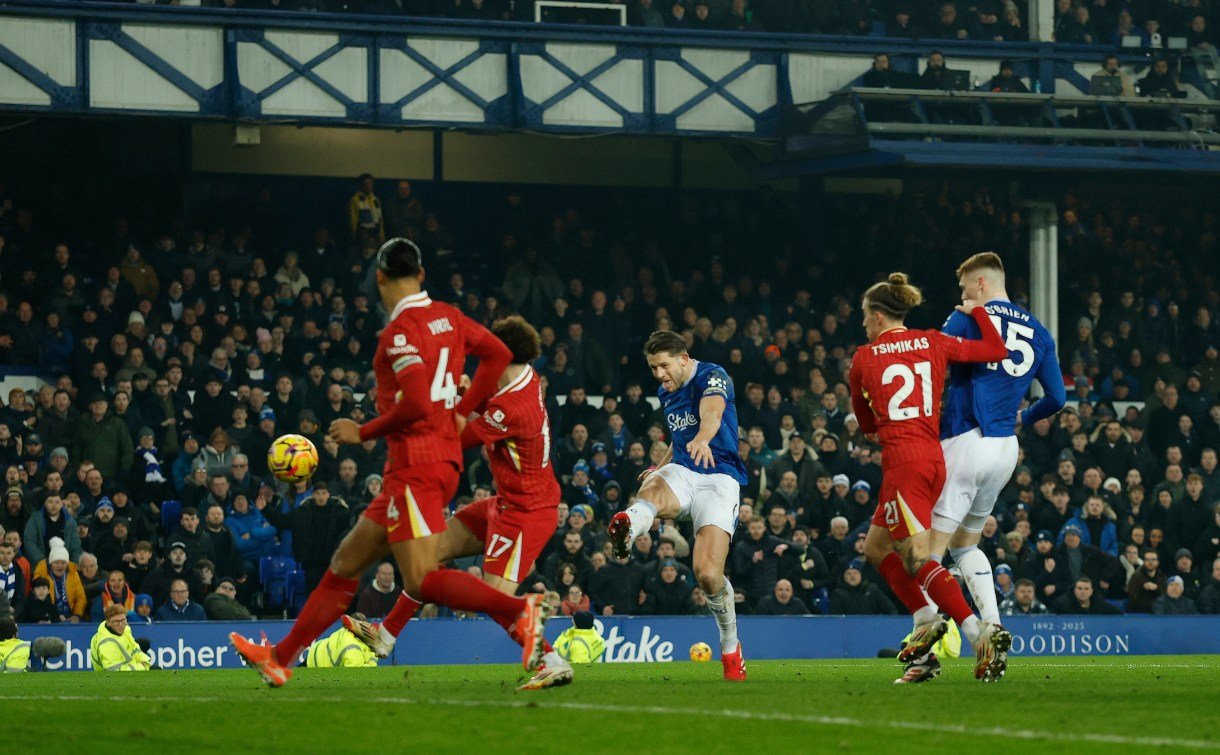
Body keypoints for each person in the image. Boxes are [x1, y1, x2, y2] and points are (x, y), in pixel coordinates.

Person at [230, 237, 541, 689]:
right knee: (345, 562)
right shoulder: (449, 317)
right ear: (421, 274)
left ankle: (520, 611)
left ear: (378, 278)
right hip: (423, 466)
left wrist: (364, 431)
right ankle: (280, 658)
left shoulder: (399, 333)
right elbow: (496, 354)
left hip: (417, 463)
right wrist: (461, 410)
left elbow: (415, 400)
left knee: (421, 578)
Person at [345, 316, 572, 690]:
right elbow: (481, 397)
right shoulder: (524, 378)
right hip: (506, 503)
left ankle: (552, 659)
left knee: (496, 600)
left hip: (527, 514)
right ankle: (386, 634)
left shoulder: (512, 408)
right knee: (428, 553)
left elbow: (453, 438)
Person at [850, 271, 1010, 684]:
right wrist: (979, 313)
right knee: (875, 547)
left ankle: (977, 634)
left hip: (903, 463)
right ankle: (926, 623)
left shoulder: (864, 358)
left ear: (880, 316)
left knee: (918, 557)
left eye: (865, 315)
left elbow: (866, 423)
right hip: (932, 457)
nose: (863, 323)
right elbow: (994, 348)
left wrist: (882, 422)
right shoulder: (932, 341)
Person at [913, 252, 1063, 683]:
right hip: (1005, 448)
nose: (961, 297)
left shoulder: (967, 316)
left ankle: (926, 654)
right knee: (965, 545)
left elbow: (932, 366)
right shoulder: (1038, 329)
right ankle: (993, 631)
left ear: (980, 284)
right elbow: (1057, 398)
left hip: (965, 439)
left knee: (929, 553)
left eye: (964, 289)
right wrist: (1024, 417)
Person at [608, 329, 749, 681]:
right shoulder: (665, 391)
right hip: (685, 471)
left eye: (664, 366)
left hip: (719, 479)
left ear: (683, 358)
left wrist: (703, 440)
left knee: (707, 574)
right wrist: (662, 465)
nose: (658, 375)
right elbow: (678, 437)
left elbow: (712, 415)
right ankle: (628, 526)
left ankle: (731, 648)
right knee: (652, 486)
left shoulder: (712, 375)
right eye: (653, 368)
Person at [90, 603, 151, 671]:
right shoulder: (106, 644)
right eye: (116, 621)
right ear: (108, 622)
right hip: (110, 678)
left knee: (145, 643)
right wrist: (141, 668)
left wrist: (145, 662)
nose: (121, 624)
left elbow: (136, 649)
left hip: (130, 666)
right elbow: (115, 672)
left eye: (123, 620)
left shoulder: (125, 629)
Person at [306, 615, 379, 668]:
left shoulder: (363, 643)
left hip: (314, 654)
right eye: (364, 625)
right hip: (316, 665)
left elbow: (371, 664)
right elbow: (355, 672)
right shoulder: (351, 644)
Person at [1051, 576, 1121, 614]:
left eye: (1086, 589)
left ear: (1091, 591)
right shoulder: (1062, 604)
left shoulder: (1099, 603)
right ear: (1074, 590)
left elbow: (1118, 614)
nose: (1083, 592)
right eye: (1080, 588)